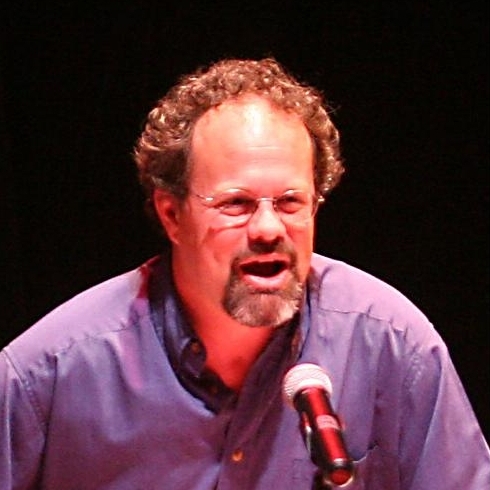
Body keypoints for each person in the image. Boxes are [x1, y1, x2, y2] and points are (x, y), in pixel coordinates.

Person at [0, 58, 488, 490]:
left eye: (291, 202)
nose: (269, 229)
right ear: (172, 215)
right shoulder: (50, 373)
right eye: (236, 204)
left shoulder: (394, 347)